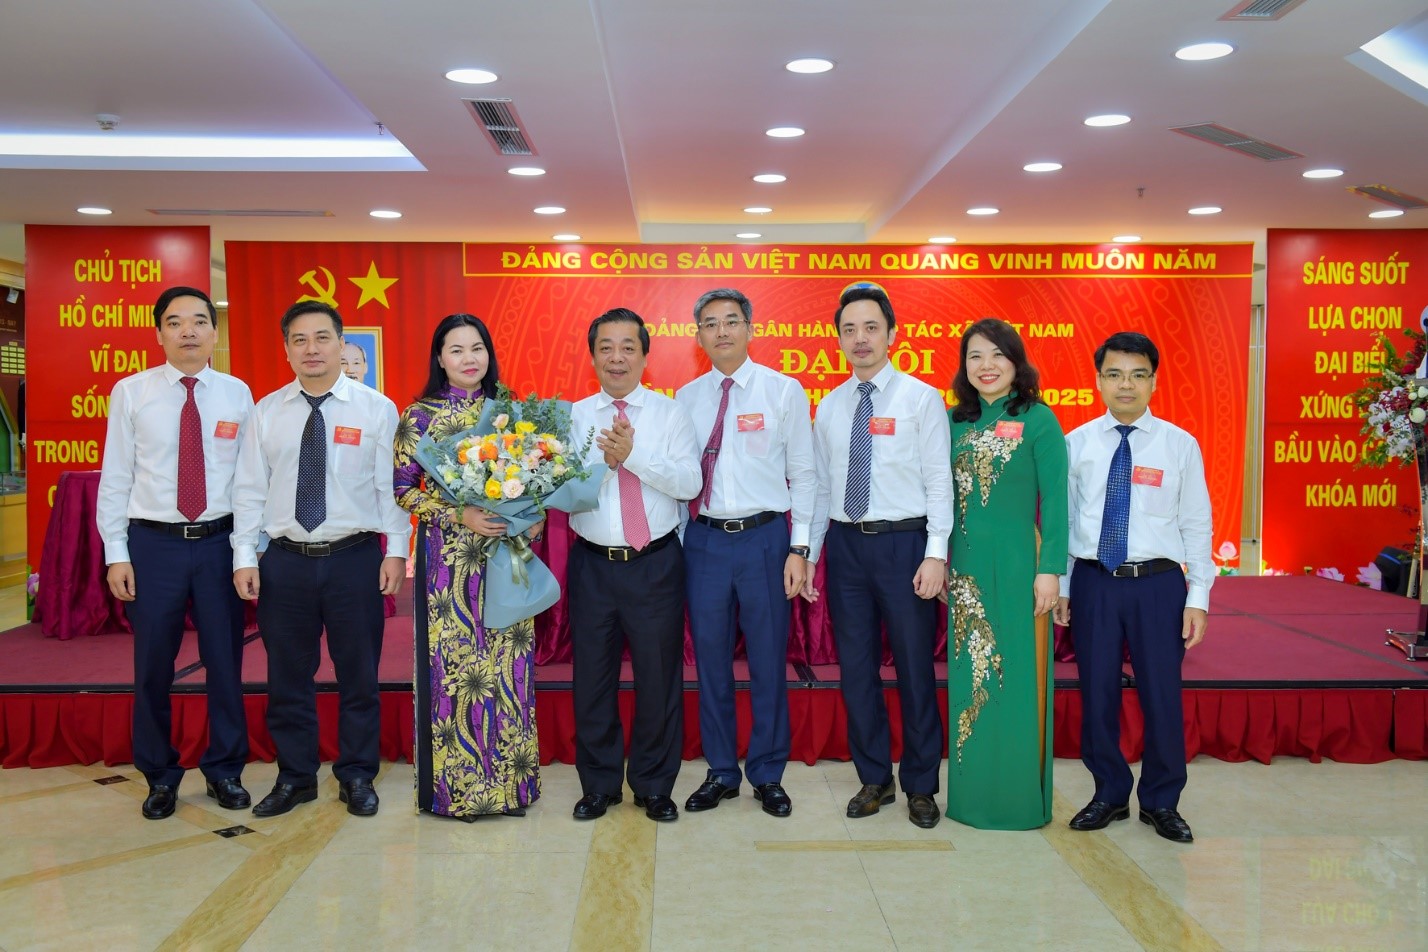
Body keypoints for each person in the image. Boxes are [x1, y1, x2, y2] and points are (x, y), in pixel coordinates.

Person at [232, 301, 411, 818]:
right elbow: (249, 489)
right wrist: (245, 555)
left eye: (322, 338)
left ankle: (357, 775)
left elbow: (390, 488)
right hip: (284, 561)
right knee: (288, 676)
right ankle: (295, 777)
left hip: (354, 558)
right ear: (287, 349)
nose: (311, 349)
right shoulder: (266, 412)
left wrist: (396, 550)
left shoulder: (377, 409)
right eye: (300, 340)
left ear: (340, 343)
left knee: (359, 674)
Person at [97, 286, 253, 820]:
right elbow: (116, 476)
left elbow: (248, 481)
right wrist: (116, 552)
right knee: (152, 666)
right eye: (175, 322)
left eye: (199, 321)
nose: (188, 331)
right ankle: (159, 776)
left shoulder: (237, 394)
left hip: (218, 544)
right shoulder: (131, 392)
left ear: (214, 331)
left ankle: (225, 770)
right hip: (153, 546)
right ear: (159, 332)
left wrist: (245, 552)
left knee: (226, 663)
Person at [1054, 332, 1212, 844]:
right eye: (1115, 374)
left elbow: (1197, 524)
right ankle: (1109, 793)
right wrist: (1063, 585)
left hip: (1159, 585)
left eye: (1138, 374)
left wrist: (1198, 598)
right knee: (1097, 692)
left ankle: (1162, 801)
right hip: (1095, 582)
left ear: (1154, 381)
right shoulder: (1075, 444)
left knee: (1161, 695)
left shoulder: (1179, 444)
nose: (1127, 385)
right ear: (1099, 381)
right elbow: (1064, 521)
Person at [809, 282, 951, 829]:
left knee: (915, 668)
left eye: (871, 327)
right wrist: (811, 553)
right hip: (847, 546)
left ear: (892, 334)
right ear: (839, 339)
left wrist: (935, 553)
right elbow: (823, 487)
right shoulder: (830, 406)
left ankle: (920, 785)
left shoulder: (920, 399)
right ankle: (874, 778)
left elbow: (939, 481)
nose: (860, 338)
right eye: (849, 330)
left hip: (904, 546)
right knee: (856, 670)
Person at [393, 313, 543, 819]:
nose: (468, 358)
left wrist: (533, 517)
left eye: (476, 347)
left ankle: (511, 790)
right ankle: (458, 792)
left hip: (506, 555)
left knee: (509, 668)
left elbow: (537, 479)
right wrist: (460, 513)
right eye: (456, 350)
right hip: (449, 566)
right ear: (440, 358)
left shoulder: (510, 411)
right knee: (458, 673)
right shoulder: (418, 417)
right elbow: (403, 491)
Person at [675, 289, 816, 818]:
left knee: (767, 661)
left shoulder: (783, 390)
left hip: (765, 539)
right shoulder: (685, 398)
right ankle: (720, 771)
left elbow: (805, 475)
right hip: (705, 540)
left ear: (751, 328)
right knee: (710, 661)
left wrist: (800, 548)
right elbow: (679, 479)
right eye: (710, 323)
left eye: (732, 321)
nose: (722, 331)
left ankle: (767, 773)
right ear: (699, 335)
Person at [567, 308, 700, 822]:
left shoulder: (670, 414)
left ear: (645, 355)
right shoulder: (575, 416)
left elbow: (689, 483)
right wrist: (604, 464)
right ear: (593, 356)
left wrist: (633, 456)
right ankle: (598, 785)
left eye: (628, 347)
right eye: (606, 347)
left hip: (655, 564)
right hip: (593, 565)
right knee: (592, 679)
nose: (617, 357)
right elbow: (561, 492)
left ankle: (654, 784)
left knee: (658, 677)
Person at [944, 318, 1067, 829]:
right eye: (975, 356)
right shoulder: (952, 421)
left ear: (1016, 361)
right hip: (965, 572)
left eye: (997, 354)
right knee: (973, 680)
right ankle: (971, 799)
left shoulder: (1039, 419)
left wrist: (1051, 570)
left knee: (1017, 680)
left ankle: (1018, 801)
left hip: (1022, 569)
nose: (986, 365)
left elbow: (1056, 501)